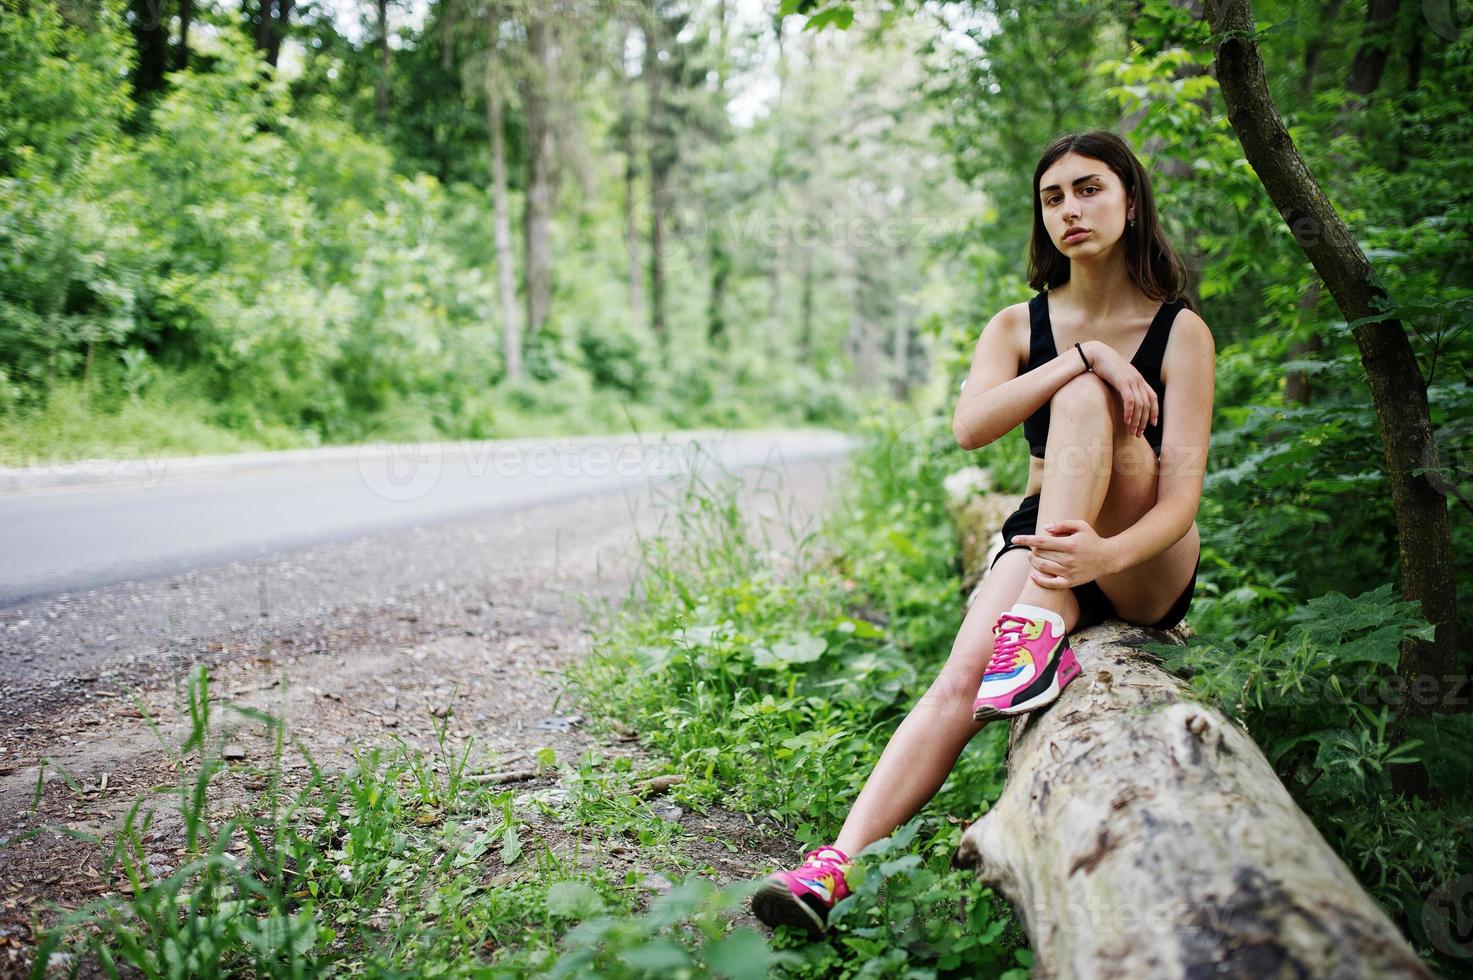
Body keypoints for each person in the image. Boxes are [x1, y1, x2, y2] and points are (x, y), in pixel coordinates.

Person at [750, 131, 1217, 936]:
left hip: (1140, 548)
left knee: (1084, 405)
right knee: (961, 676)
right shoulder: (1016, 325)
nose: (1070, 208)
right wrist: (1086, 354)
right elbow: (970, 428)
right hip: (1047, 539)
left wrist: (1104, 552)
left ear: (1130, 201)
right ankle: (834, 867)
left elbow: (1180, 500)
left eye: (1089, 188)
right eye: (1052, 197)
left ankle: (1036, 619)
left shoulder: (1180, 332)